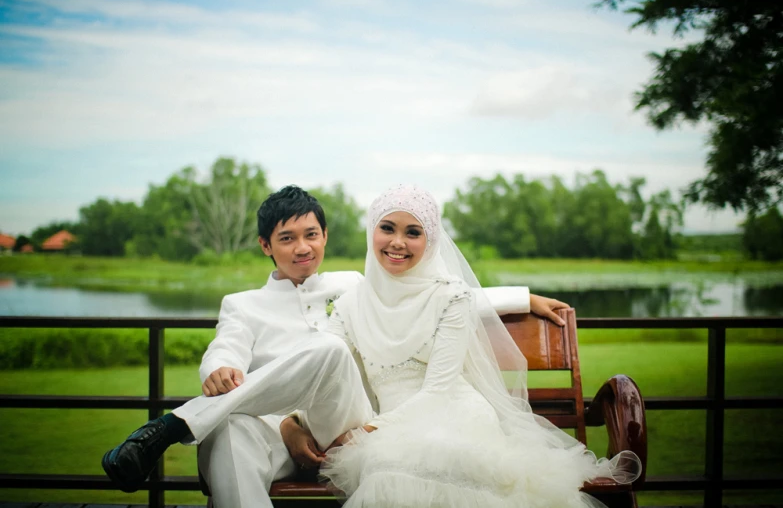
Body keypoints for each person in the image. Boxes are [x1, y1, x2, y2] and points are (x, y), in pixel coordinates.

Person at [101, 185, 567, 508]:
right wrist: (224, 371)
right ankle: (198, 427)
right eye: (287, 239)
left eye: (311, 235)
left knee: (329, 350)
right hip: (280, 436)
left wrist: (524, 297)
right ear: (266, 245)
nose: (302, 248)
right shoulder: (242, 304)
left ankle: (176, 423)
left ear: (325, 237)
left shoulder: (351, 285)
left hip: (354, 421)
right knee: (225, 434)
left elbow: (434, 291)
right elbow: (226, 347)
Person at [319, 185, 642, 508]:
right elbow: (324, 368)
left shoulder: (451, 296)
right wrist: (296, 421)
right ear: (371, 230)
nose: (398, 242)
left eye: (413, 232)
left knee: (407, 464)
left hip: (454, 415)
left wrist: (368, 430)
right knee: (387, 466)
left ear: (430, 242)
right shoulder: (349, 307)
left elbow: (438, 391)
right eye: (387, 228)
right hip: (392, 430)